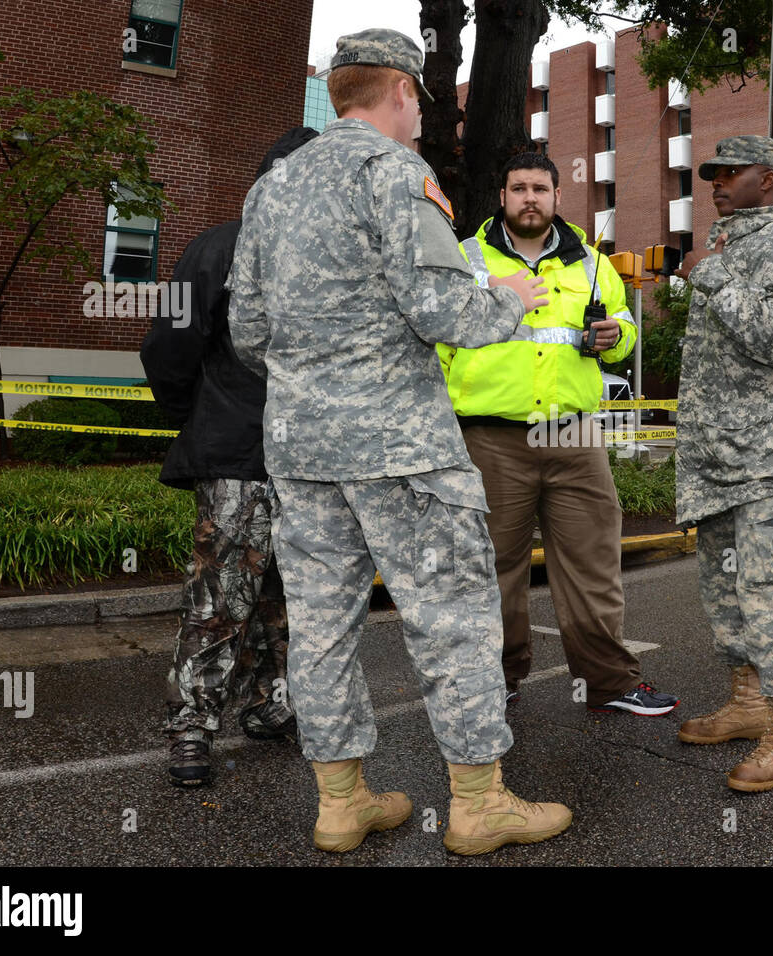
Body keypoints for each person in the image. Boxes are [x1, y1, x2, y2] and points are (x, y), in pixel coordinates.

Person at [227, 28, 571, 856]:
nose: (421, 112)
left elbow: (245, 328)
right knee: (451, 615)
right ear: (403, 94)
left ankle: (341, 803)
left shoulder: (272, 188)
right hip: (401, 446)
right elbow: (445, 311)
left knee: (318, 623)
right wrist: (513, 297)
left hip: (302, 448)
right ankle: (479, 803)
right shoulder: (396, 175)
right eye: (419, 99)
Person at [436, 153, 679, 717]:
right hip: (492, 437)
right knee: (493, 566)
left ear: (556, 197)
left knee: (593, 562)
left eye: (539, 189)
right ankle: (497, 678)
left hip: (572, 436)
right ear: (501, 197)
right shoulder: (464, 259)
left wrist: (614, 335)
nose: (529, 198)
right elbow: (439, 336)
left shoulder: (593, 264)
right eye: (518, 188)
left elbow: (624, 333)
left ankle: (610, 682)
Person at [140, 126, 319, 787]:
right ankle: (191, 728)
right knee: (220, 601)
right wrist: (196, 421)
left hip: (311, 467)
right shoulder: (219, 248)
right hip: (237, 462)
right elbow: (169, 349)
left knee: (291, 599)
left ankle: (276, 705)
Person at [673, 135, 773, 792]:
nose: (715, 182)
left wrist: (709, 277)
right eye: (711, 173)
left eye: (730, 173)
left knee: (768, 594)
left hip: (772, 461)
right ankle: (746, 703)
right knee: (725, 591)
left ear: (768, 179)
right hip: (719, 461)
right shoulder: (733, 244)